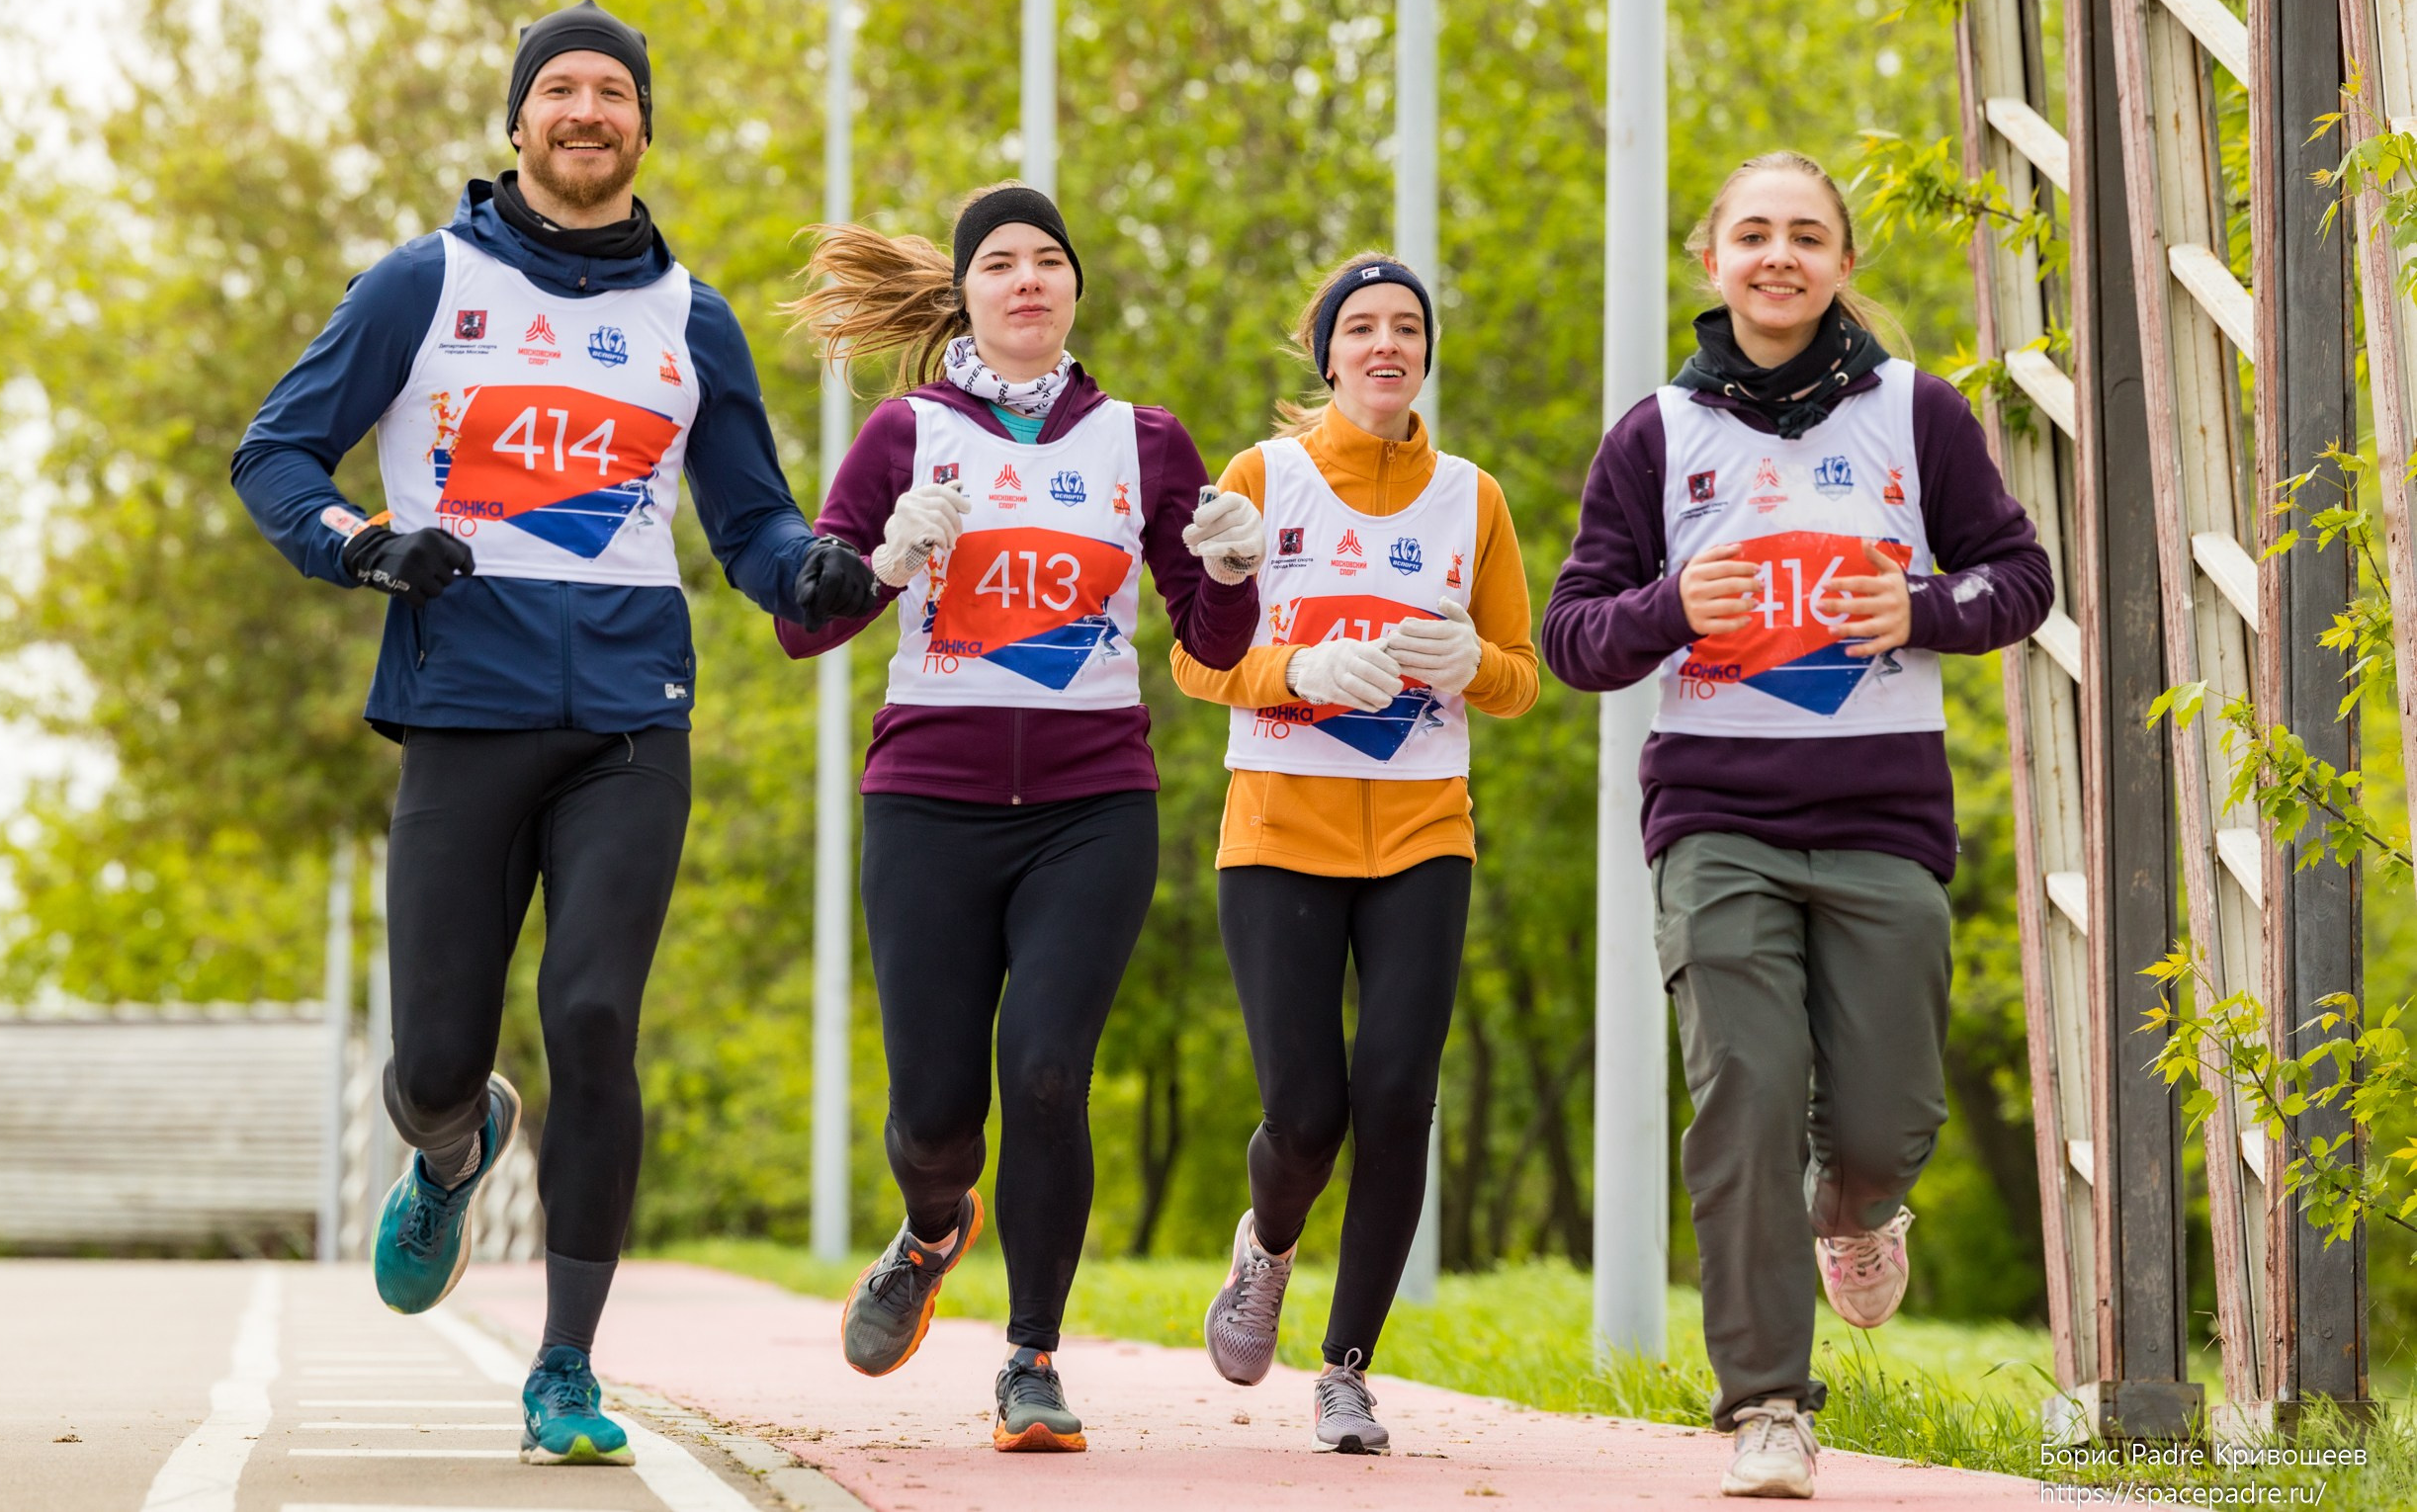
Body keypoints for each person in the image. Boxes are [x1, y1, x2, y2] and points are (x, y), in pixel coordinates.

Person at [231, 0, 879, 1469]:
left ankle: (567, 1365)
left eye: (614, 93)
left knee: (596, 1015)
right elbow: (272, 451)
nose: (587, 113)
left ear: (645, 127)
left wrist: (809, 570)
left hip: (630, 719)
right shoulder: (422, 284)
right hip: (463, 706)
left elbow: (752, 515)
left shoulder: (693, 318)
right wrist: (361, 543)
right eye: (560, 90)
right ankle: (452, 1146)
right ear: (517, 121)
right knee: (433, 1057)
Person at [1541, 151, 2052, 1498]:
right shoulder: (1654, 436)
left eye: (1807, 235)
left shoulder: (1916, 412)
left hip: (1887, 819)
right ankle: (1768, 1396)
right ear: (1710, 259)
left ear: (1841, 262)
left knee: (1883, 1122)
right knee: (1747, 1088)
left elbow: (2022, 575)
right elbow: (1572, 637)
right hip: (1716, 817)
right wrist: (1670, 609)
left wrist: (1926, 609)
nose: (1780, 255)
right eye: (1753, 233)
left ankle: (1859, 1204)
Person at [777, 183, 1264, 1453]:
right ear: (967, 296)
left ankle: (1033, 1359)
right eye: (1000, 262)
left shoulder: (1145, 443)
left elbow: (1208, 646)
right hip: (926, 803)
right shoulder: (902, 434)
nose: (1027, 279)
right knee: (935, 1116)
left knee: (1048, 1072)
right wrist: (881, 563)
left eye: (1050, 258)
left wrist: (1228, 567)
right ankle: (933, 1228)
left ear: (1074, 291)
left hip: (1089, 805)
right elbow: (802, 621)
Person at [1170, 254, 1539, 1456]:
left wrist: (1465, 667)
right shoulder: (1260, 479)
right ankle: (1267, 1245)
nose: (1386, 345)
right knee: (1306, 1109)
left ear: (1426, 354)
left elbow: (1522, 675)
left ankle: (1346, 1369)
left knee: (1395, 1095)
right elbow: (1191, 656)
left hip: (1425, 825)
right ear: (1324, 352)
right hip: (1279, 825)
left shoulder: (1471, 498)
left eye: (1407, 328)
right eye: (1361, 327)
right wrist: (1297, 670)